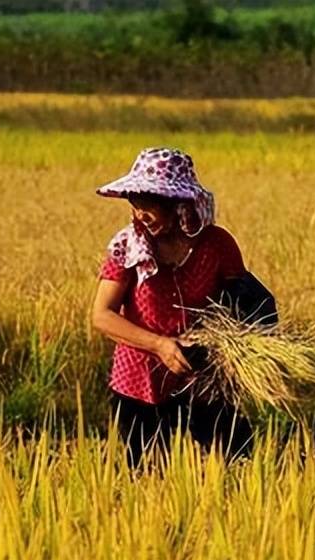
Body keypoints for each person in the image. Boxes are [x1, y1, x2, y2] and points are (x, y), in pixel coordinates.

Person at [90, 147, 253, 468]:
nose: (139, 215)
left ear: (179, 206)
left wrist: (221, 343)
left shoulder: (217, 245)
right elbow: (102, 315)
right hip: (139, 384)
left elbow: (241, 302)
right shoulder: (127, 246)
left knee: (235, 466)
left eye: (148, 205)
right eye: (134, 205)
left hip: (203, 379)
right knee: (148, 477)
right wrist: (160, 345)